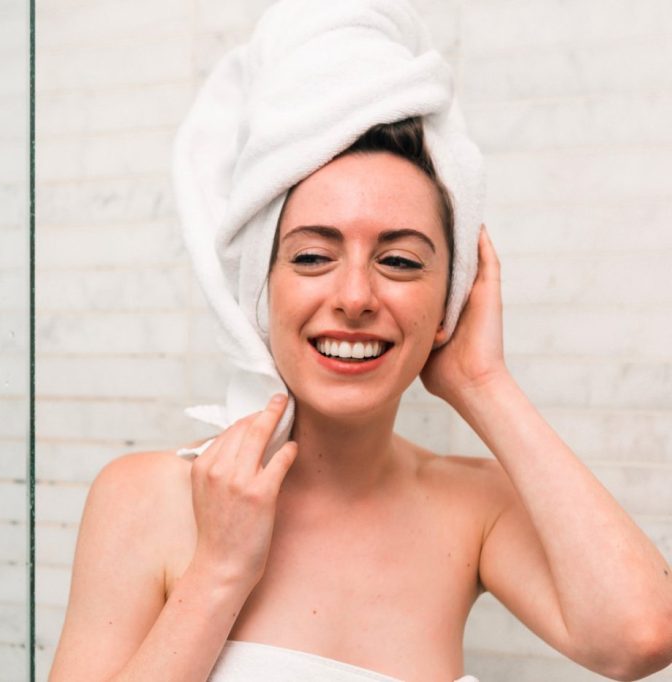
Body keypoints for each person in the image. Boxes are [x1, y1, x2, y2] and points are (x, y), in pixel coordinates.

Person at [49, 3, 672, 681]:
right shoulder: (148, 499)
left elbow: (640, 636)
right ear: (261, 289)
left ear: (450, 299)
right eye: (313, 257)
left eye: (400, 261)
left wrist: (483, 383)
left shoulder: (473, 510)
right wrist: (220, 571)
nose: (353, 297)